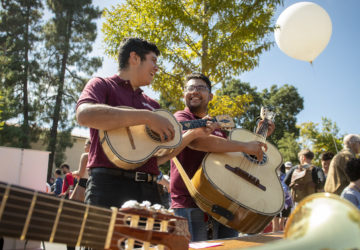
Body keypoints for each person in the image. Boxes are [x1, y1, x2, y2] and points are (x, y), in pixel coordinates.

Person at [75, 38, 214, 209]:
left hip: (149, 191)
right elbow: (84, 115)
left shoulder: (153, 105)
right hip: (107, 186)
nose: (157, 68)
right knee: (104, 236)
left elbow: (157, 159)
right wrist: (147, 117)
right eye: (153, 60)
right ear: (134, 58)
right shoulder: (102, 85)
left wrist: (193, 134)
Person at [170, 73, 274, 241]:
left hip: (222, 203)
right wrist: (246, 146)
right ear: (184, 95)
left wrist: (259, 137)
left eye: (201, 88)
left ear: (210, 96)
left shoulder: (218, 126)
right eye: (190, 88)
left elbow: (234, 155)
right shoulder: (182, 117)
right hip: (188, 203)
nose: (195, 91)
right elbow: (199, 142)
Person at [272, 163, 293, 232]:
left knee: (279, 224)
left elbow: (285, 188)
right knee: (277, 223)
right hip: (281, 200)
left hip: (283, 201)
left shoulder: (283, 176)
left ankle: (278, 240)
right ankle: (278, 239)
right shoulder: (273, 176)